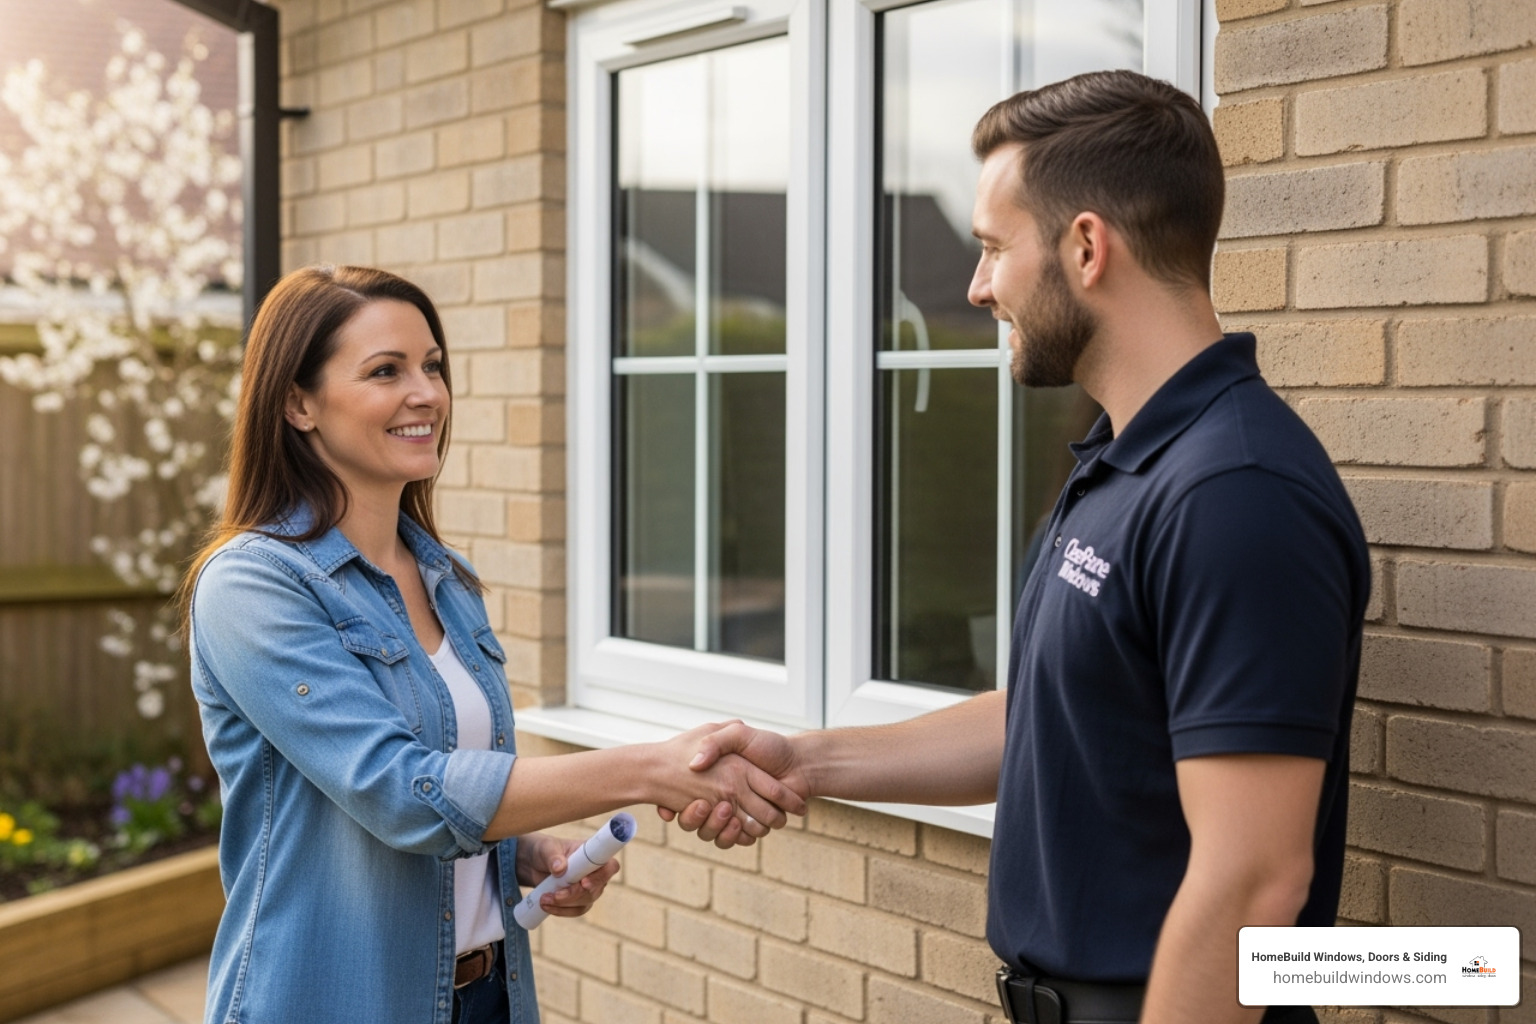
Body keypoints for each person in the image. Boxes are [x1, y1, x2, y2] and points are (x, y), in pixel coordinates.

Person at [670, 70, 1370, 1024]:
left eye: (995, 248)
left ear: (1087, 247)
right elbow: (1055, 712)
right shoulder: (1124, 461)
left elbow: (1255, 880)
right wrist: (801, 760)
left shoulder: (1233, 494)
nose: (977, 286)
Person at [181, 265, 803, 1024]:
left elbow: (457, 779)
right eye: (386, 371)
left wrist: (522, 855)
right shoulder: (253, 586)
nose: (427, 394)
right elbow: (400, 792)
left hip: (489, 996)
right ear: (298, 403)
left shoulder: (446, 577)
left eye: (433, 366)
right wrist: (653, 770)